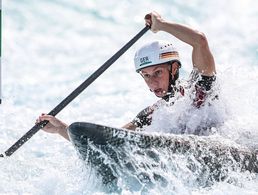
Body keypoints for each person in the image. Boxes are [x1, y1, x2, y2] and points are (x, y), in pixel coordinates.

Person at [36, 11, 216, 139]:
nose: (152, 82)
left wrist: (161, 25)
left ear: (174, 68)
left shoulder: (200, 86)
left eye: (158, 72)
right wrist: (61, 129)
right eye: (145, 75)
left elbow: (199, 42)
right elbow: (110, 141)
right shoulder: (154, 113)